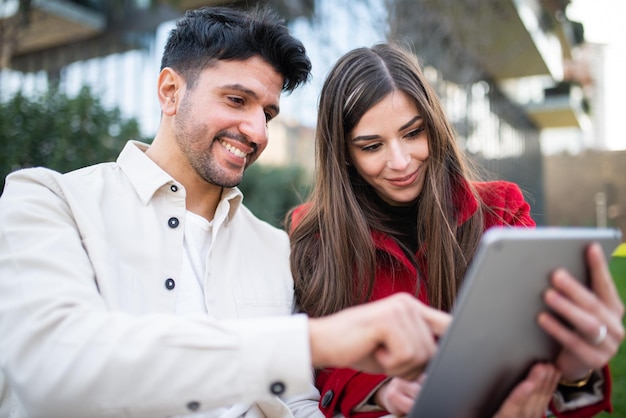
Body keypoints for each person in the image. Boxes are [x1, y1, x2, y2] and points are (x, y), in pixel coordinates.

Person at [0, 9, 452, 418]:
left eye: (268, 113)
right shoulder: (47, 201)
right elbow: (54, 369)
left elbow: (297, 405)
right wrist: (317, 340)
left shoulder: (275, 246)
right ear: (170, 91)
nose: (257, 131)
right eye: (237, 100)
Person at [287, 43, 625, 418]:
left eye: (413, 134)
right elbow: (318, 364)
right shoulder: (312, 234)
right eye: (372, 146)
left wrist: (576, 371)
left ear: (434, 126)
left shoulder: (501, 209)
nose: (400, 162)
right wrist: (382, 390)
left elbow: (538, 346)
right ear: (344, 155)